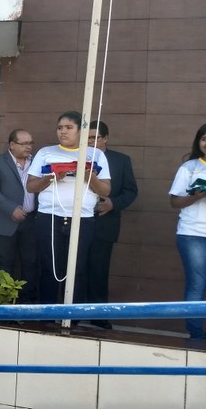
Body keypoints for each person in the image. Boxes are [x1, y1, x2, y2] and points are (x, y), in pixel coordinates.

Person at [26, 110, 111, 305]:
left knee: (77, 269)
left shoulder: (95, 154)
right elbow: (31, 186)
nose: (63, 131)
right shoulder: (45, 152)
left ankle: (72, 316)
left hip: (82, 218)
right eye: (59, 128)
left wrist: (90, 176)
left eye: (69, 127)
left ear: (80, 131)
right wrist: (51, 178)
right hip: (49, 216)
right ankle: (47, 314)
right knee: (49, 267)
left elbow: (106, 190)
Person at [86, 120, 138, 329]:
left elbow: (131, 191)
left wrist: (113, 204)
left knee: (99, 271)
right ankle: (71, 315)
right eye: (87, 138)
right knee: (75, 269)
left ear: (106, 138)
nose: (91, 142)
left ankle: (98, 316)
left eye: (95, 138)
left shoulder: (121, 160)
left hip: (105, 223)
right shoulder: (76, 157)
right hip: (76, 223)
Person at [0, 129, 38, 302]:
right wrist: (11, 208)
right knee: (5, 263)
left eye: (30, 143)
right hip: (5, 220)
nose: (28, 147)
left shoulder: (37, 162)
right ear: (12, 145)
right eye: (24, 143)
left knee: (30, 263)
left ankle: (27, 304)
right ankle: (4, 303)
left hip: (31, 221)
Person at [168, 123, 206, 339]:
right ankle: (196, 331)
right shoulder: (189, 167)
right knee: (197, 283)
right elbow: (174, 201)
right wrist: (197, 196)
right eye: (204, 138)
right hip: (193, 234)